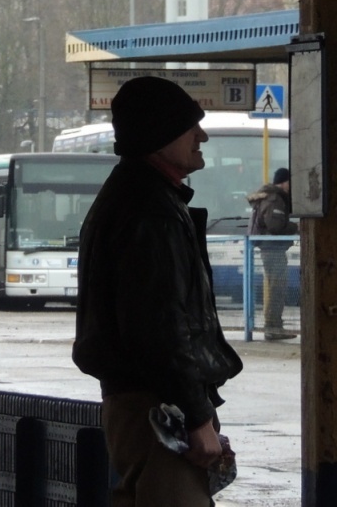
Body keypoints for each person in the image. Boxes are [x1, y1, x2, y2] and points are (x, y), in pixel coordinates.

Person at [73, 76, 244, 506]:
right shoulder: (151, 212)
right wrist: (198, 418)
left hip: (145, 403)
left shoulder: (138, 197)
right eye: (190, 127)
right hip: (158, 409)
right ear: (159, 134)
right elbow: (160, 329)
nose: (201, 136)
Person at [247, 167, 298, 341]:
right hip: (272, 248)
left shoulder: (270, 197)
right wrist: (296, 228)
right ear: (283, 182)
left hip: (271, 248)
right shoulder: (275, 199)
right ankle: (272, 327)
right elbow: (275, 226)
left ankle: (275, 326)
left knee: (277, 287)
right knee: (277, 288)